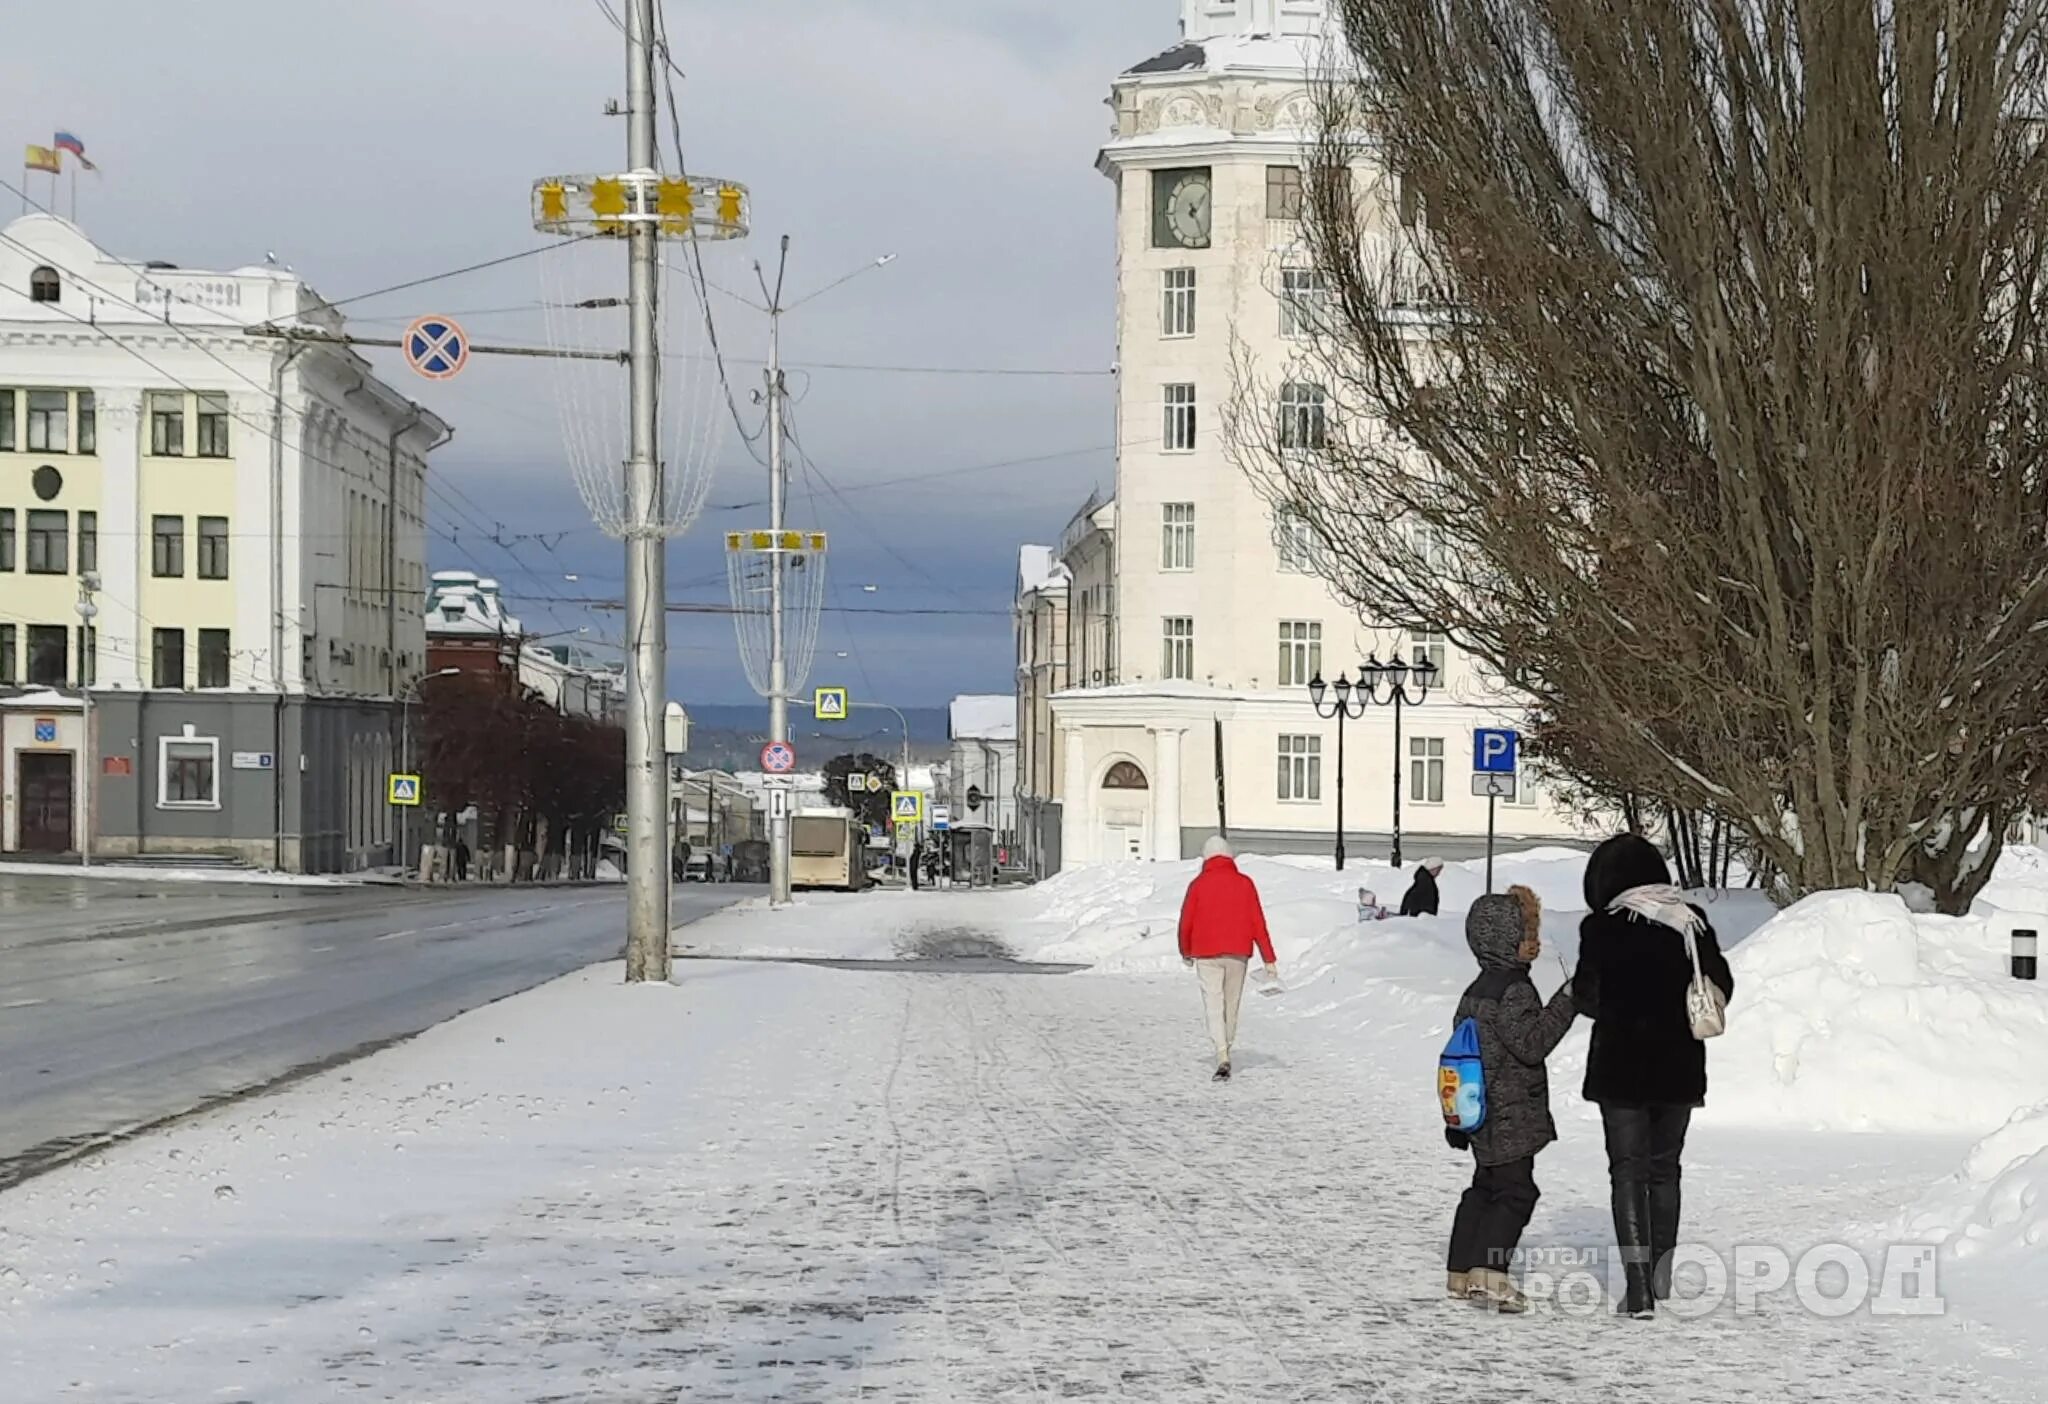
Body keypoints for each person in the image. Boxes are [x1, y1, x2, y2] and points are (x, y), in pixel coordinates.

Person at [1573, 833, 1735, 1319]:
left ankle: (1639, 1288)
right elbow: (1721, 983)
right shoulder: (1692, 922)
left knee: (1627, 1172)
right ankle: (1663, 1273)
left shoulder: (1602, 928)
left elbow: (1588, 998)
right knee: (1665, 1170)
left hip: (1621, 1068)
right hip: (1678, 1067)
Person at [1444, 890, 1577, 1313]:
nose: (1534, 943)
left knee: (1485, 1187)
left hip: (1480, 1110)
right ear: (1504, 939)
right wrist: (1568, 1001)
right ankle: (1491, 1274)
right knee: (1517, 1193)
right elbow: (1532, 1044)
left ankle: (1461, 1270)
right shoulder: (1515, 990)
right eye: (1526, 934)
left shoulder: (1475, 989)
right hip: (1510, 1112)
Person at [1177, 836, 1278, 1082]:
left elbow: (1186, 922)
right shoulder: (1245, 884)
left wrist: (1185, 951)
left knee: (1213, 1003)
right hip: (1237, 953)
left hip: (1205, 953)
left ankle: (1221, 1053)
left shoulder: (1198, 884)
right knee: (1231, 1004)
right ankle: (1227, 1045)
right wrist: (1269, 958)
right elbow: (1257, 922)